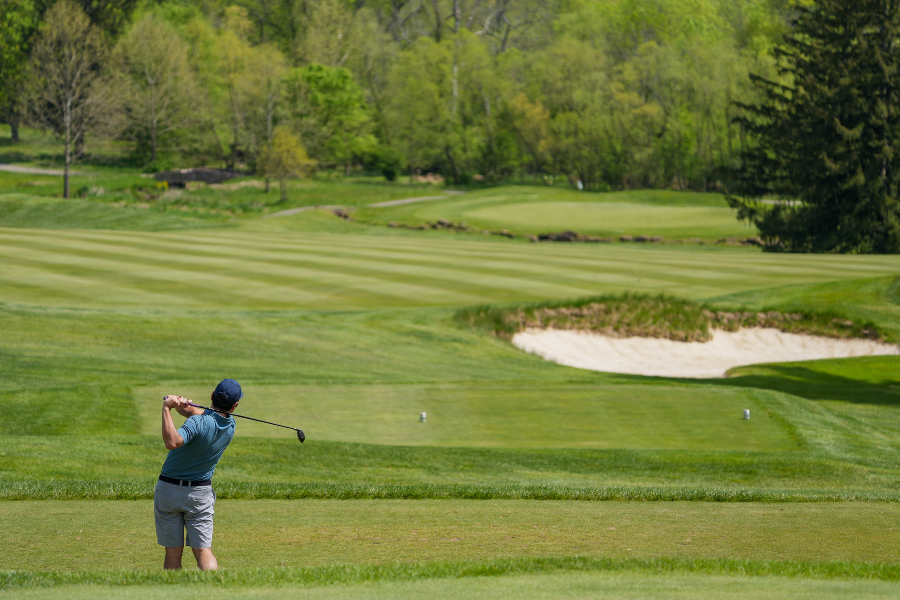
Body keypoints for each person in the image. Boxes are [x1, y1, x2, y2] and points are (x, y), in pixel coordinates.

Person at [155, 379, 242, 570]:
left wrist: (166, 409)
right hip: (200, 495)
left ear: (212, 396)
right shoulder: (230, 425)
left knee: (173, 551)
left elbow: (172, 441)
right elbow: (199, 414)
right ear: (235, 406)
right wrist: (181, 406)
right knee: (203, 551)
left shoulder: (197, 422)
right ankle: (211, 593)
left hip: (168, 491)